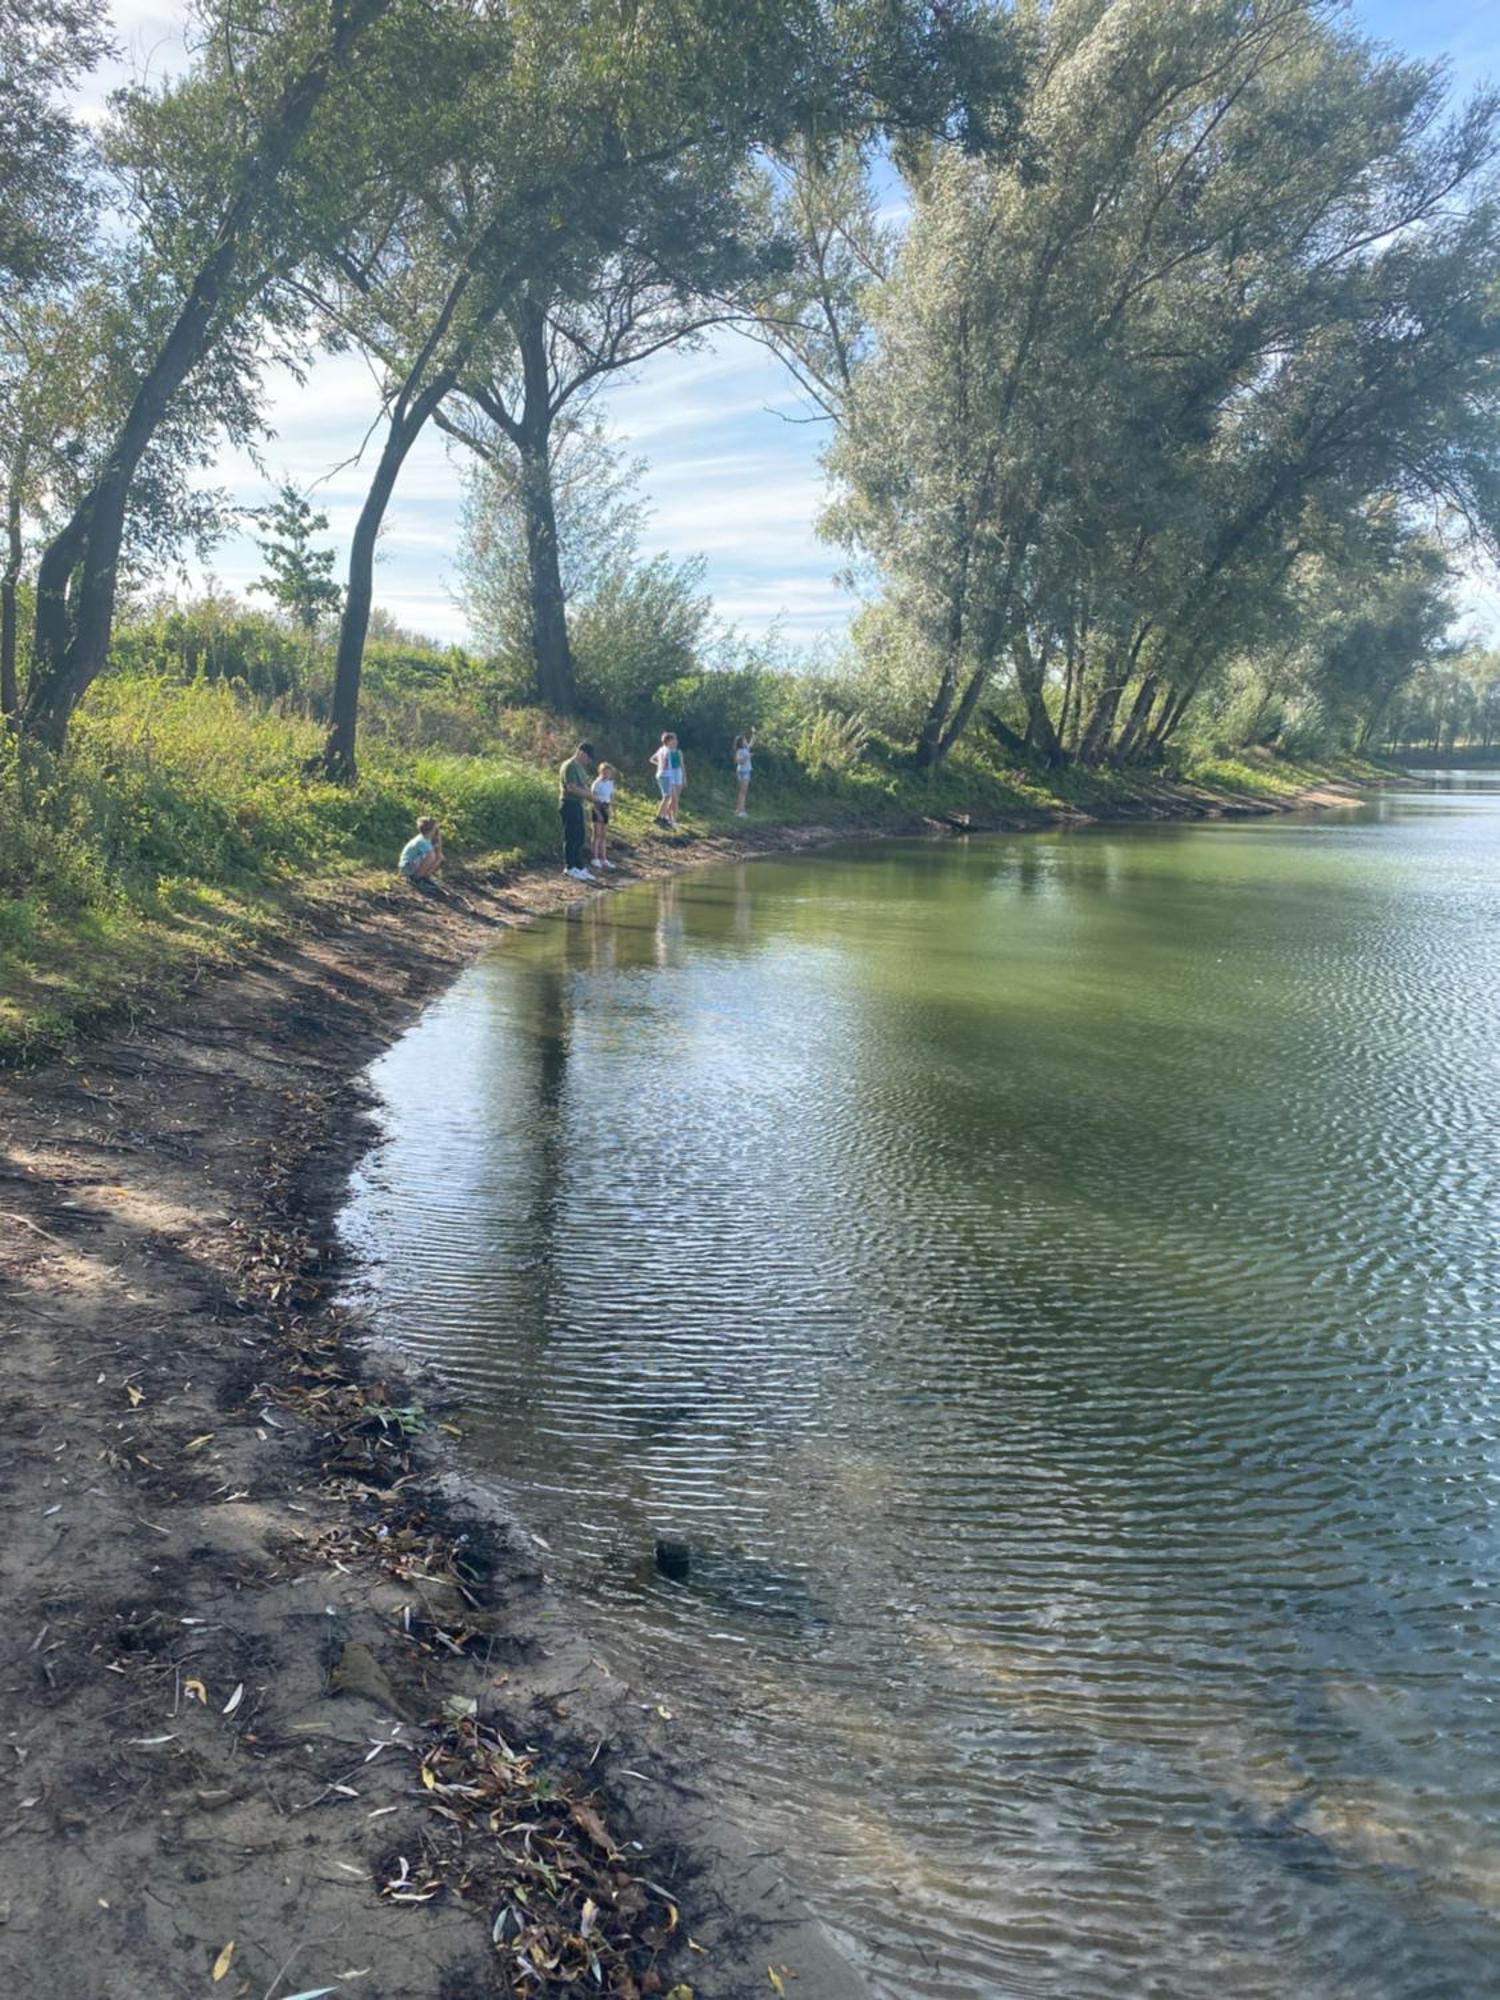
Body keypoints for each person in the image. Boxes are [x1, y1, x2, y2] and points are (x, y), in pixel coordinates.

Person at [559, 741, 596, 881]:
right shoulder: (569, 766)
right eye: (588, 757)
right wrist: (588, 796)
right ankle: (570, 867)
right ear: (581, 752)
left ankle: (579, 866)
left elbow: (584, 786)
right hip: (568, 804)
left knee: (580, 837)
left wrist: (594, 798)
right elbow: (572, 788)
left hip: (578, 805)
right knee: (571, 837)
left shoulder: (580, 768)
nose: (588, 761)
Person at [649, 731, 685, 828]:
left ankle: (663, 817)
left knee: (667, 797)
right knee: (667, 797)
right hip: (666, 775)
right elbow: (662, 761)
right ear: (669, 741)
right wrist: (662, 766)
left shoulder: (662, 749)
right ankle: (659, 817)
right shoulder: (667, 751)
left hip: (663, 774)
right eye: (673, 740)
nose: (675, 742)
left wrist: (660, 765)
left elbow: (654, 759)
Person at [590, 761, 617, 870]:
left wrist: (613, 811)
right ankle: (595, 858)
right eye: (604, 773)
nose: (606, 775)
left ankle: (604, 859)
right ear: (600, 772)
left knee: (604, 835)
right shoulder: (596, 783)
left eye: (608, 773)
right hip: (598, 807)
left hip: (606, 807)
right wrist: (597, 813)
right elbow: (593, 800)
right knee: (597, 834)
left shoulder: (610, 783)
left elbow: (611, 798)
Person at [399, 816, 442, 881]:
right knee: (431, 856)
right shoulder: (422, 841)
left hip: (412, 864)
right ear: (431, 829)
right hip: (407, 866)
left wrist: (438, 840)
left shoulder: (427, 840)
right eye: (436, 829)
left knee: (439, 857)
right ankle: (417, 877)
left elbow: (438, 855)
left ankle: (425, 876)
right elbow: (431, 856)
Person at [733, 730, 754, 816]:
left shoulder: (746, 748)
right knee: (743, 792)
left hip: (743, 771)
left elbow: (752, 743)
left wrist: (754, 733)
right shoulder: (740, 751)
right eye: (745, 740)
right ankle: (741, 811)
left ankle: (739, 810)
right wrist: (747, 757)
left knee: (742, 792)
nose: (746, 741)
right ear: (741, 742)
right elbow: (738, 761)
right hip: (743, 772)